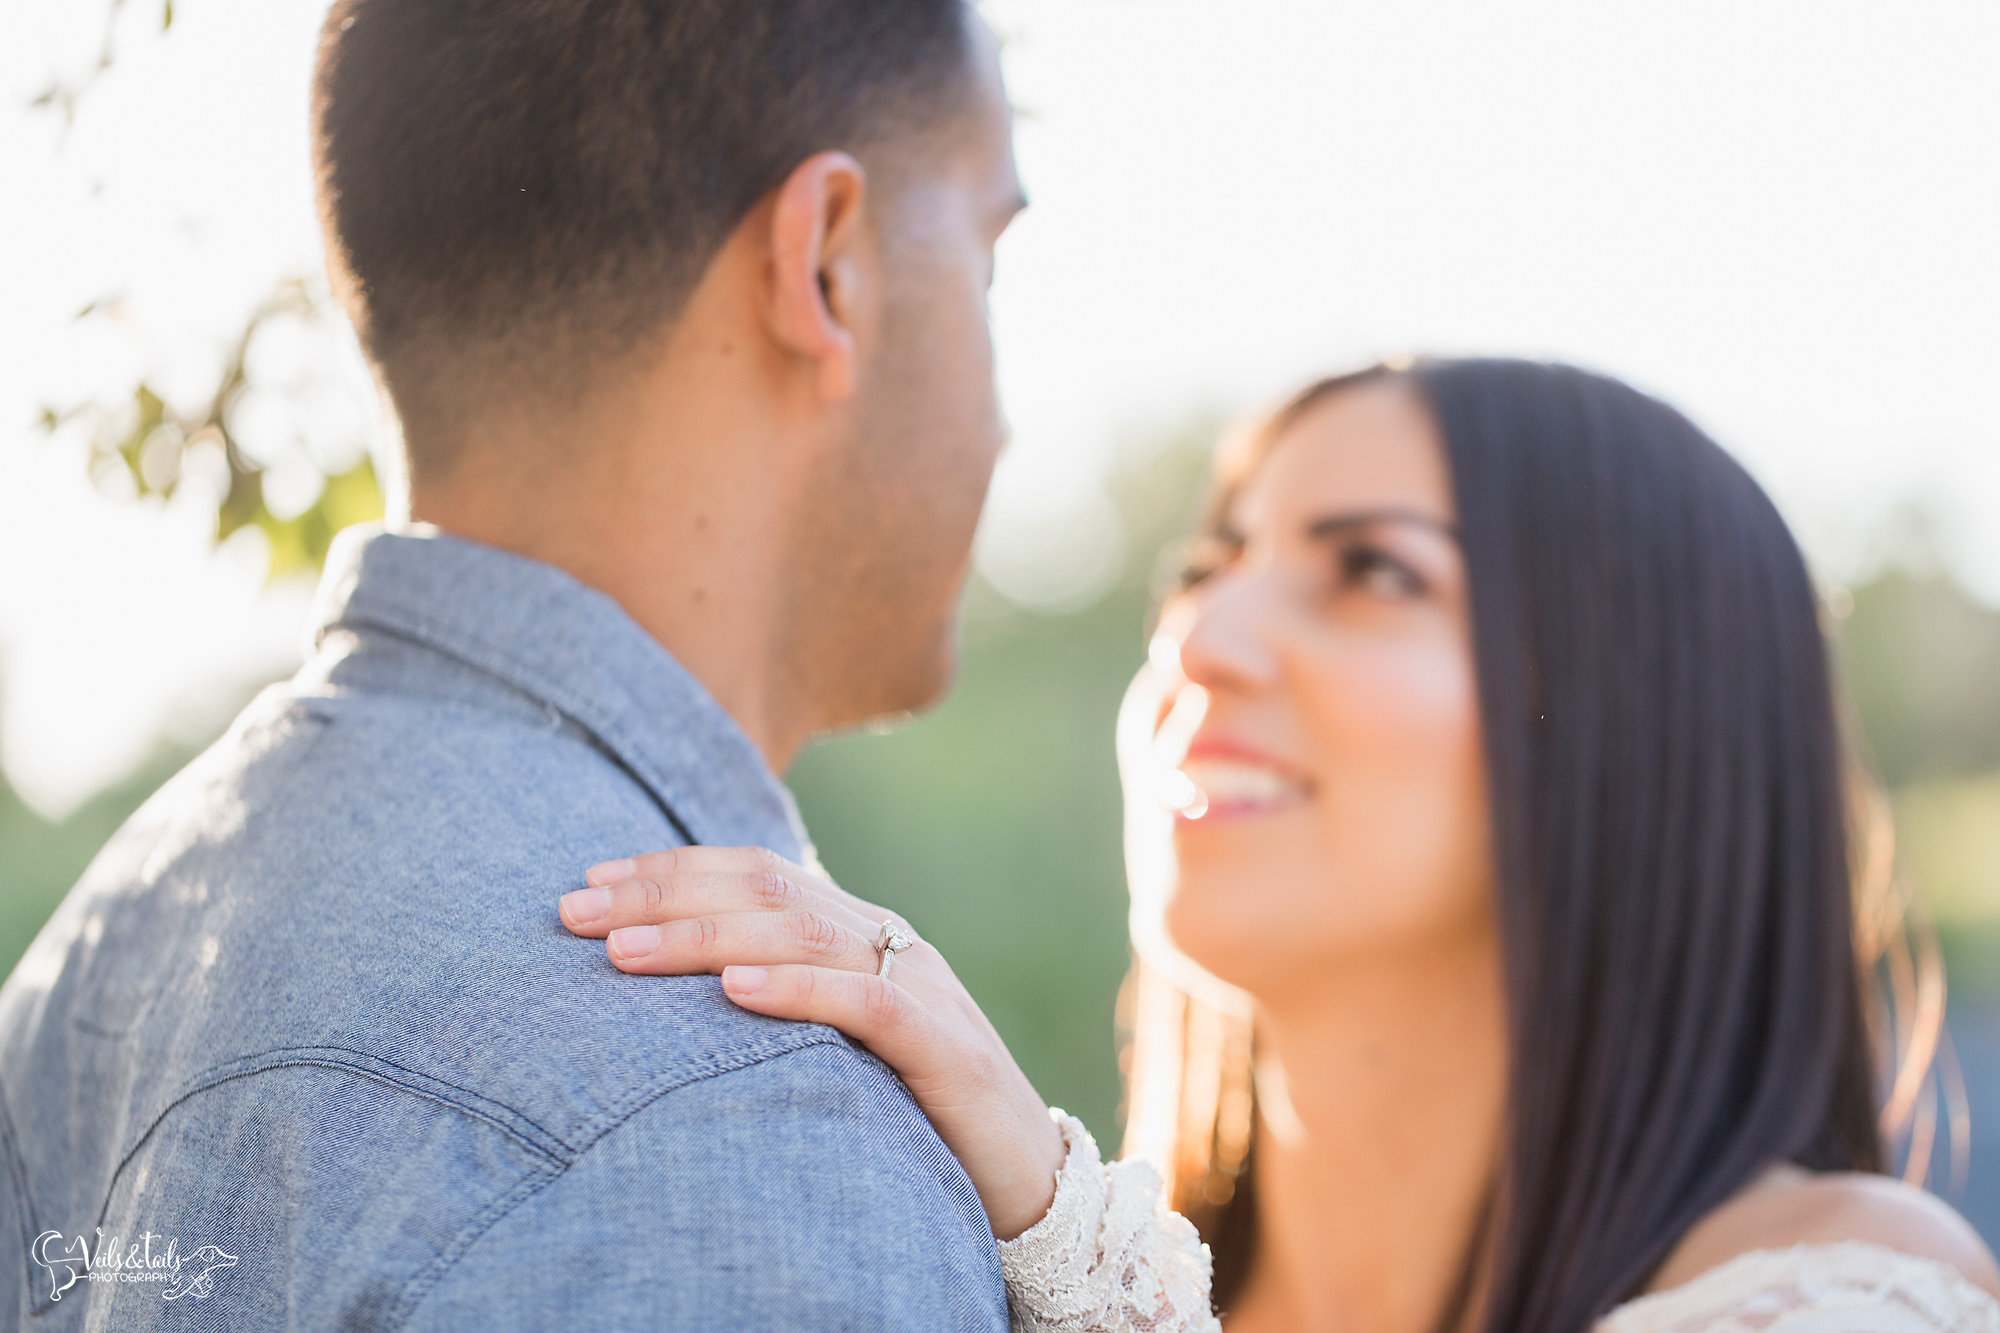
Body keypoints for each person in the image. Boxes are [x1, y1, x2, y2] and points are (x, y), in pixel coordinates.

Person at [556, 360, 2000, 1331]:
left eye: (1373, 571)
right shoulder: (982, 1271)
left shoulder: (1851, 1288)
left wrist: (1077, 1247)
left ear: (1644, 711)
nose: (1200, 635)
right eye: (1208, 567)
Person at [0, 0, 1031, 1327]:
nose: (1006, 419)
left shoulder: (92, 959)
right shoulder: (738, 1135)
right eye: (991, 261)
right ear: (826, 262)